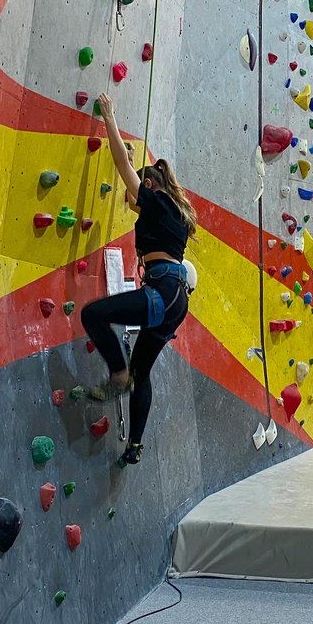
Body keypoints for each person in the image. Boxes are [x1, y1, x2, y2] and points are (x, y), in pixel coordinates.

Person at [80, 94, 197, 464]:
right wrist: (133, 166)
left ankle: (117, 375)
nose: (136, 199)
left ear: (150, 185)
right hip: (176, 300)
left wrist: (110, 119)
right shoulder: (173, 212)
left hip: (163, 292)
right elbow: (134, 202)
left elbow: (123, 173)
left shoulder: (160, 203)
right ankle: (134, 446)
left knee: (92, 315)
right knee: (141, 373)